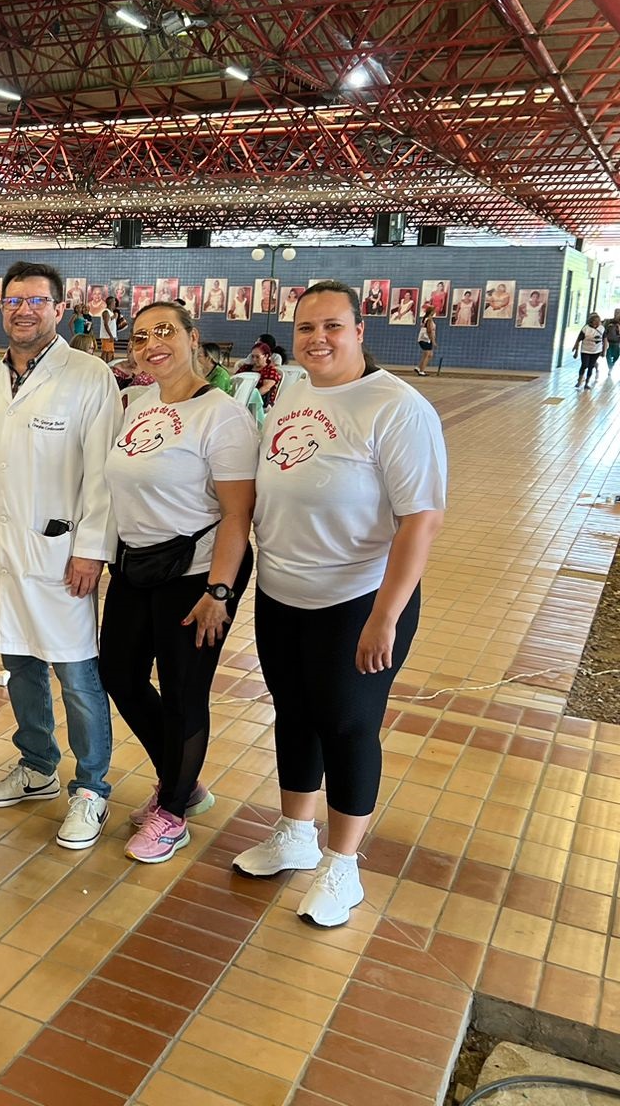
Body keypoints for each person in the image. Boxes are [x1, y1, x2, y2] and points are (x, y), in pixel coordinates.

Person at [234, 281, 445, 927]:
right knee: (294, 714)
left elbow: (421, 520)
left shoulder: (397, 407)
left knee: (348, 726)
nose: (317, 338)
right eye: (305, 327)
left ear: (359, 330)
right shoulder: (295, 390)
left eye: (332, 326)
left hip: (357, 598)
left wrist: (385, 616)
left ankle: (342, 864)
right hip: (282, 591)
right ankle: (295, 834)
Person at [0, 261, 119, 850]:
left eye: (36, 301)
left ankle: (92, 787)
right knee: (20, 664)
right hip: (3, 548)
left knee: (76, 674)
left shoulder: (89, 376)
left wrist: (92, 550)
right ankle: (37, 766)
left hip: (62, 552)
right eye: (13, 301)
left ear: (60, 308)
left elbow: (103, 472)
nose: (23, 310)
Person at [100, 303, 256, 862]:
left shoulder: (222, 415)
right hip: (137, 565)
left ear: (193, 338)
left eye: (164, 332)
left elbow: (238, 514)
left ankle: (171, 814)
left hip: (198, 574)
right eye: (140, 337)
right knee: (119, 674)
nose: (151, 345)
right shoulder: (138, 404)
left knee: (184, 691)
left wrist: (219, 592)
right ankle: (181, 782)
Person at [575, 312, 605, 388]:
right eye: (595, 321)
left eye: (598, 322)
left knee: (591, 366)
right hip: (585, 350)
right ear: (591, 321)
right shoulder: (586, 328)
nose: (596, 323)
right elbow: (579, 339)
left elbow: (605, 340)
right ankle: (580, 380)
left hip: (596, 351)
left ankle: (587, 383)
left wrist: (604, 351)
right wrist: (576, 351)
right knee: (584, 365)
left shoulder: (602, 328)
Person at [415, 305, 438, 376]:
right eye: (434, 310)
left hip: (424, 338)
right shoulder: (429, 320)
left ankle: (419, 368)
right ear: (431, 312)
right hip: (426, 339)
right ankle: (421, 371)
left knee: (429, 354)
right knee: (427, 354)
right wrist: (433, 341)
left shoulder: (425, 319)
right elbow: (429, 331)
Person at [604, 310, 620, 375]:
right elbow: (604, 330)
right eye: (616, 312)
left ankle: (612, 365)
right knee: (608, 355)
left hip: (617, 343)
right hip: (609, 342)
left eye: (618, 313)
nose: (617, 314)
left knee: (616, 356)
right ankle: (610, 367)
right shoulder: (609, 321)